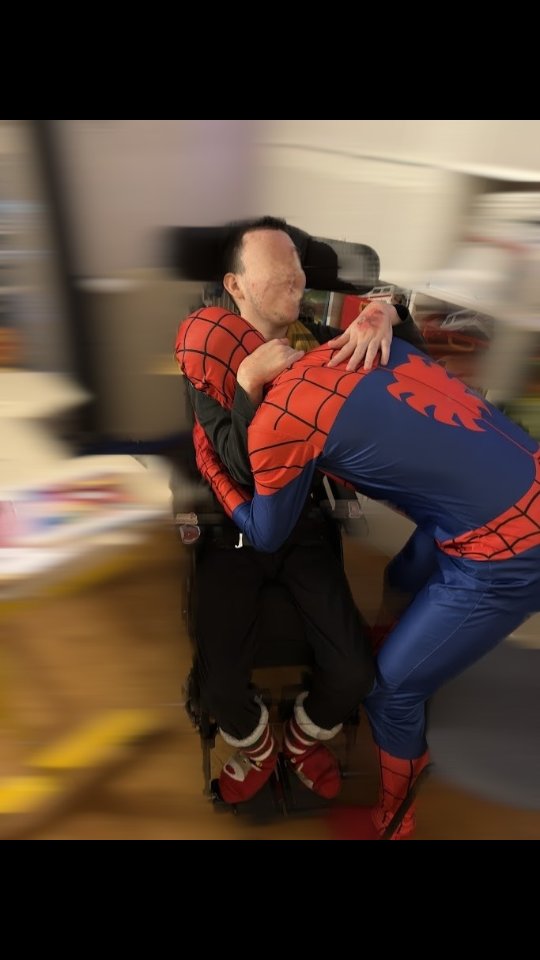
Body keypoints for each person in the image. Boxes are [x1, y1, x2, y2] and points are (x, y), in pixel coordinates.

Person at [177, 305, 540, 839]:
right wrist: (383, 310)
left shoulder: (276, 424)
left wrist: (212, 468)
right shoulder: (358, 344)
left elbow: (265, 532)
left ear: (213, 384)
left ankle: (396, 814)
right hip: (518, 479)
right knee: (400, 579)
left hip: (508, 549)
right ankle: (410, 655)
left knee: (387, 691)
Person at [176, 217, 424, 807]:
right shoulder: (211, 347)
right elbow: (235, 463)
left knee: (355, 675)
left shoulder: (315, 329)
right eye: (278, 266)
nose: (296, 275)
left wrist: (387, 313)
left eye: (299, 264)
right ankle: (260, 747)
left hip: (307, 527)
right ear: (235, 285)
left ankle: (303, 739)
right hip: (231, 529)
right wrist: (247, 382)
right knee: (218, 690)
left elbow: (407, 350)